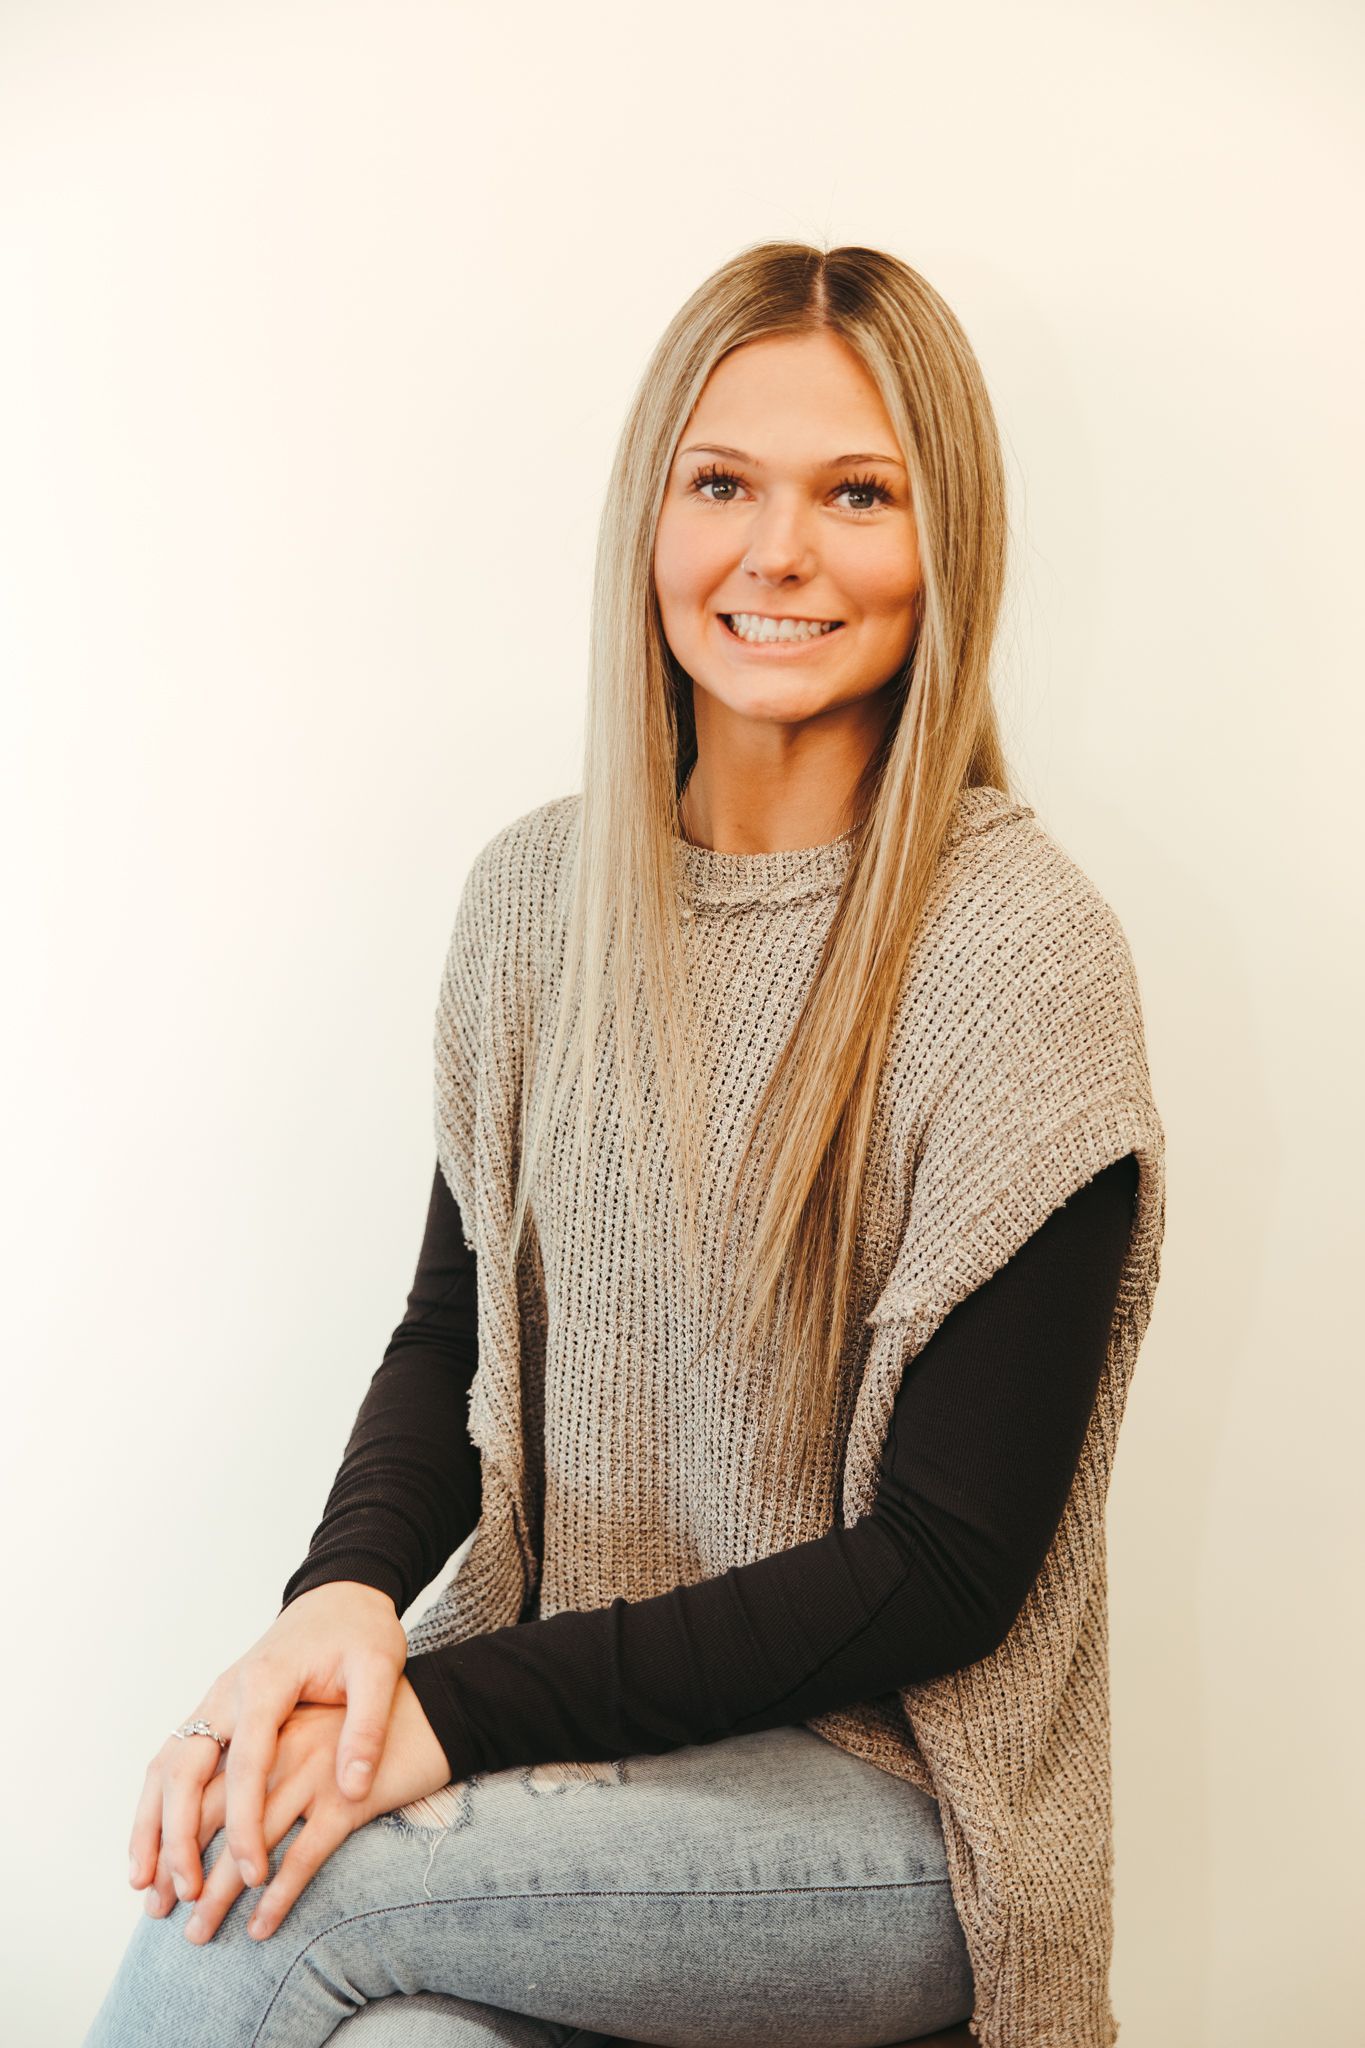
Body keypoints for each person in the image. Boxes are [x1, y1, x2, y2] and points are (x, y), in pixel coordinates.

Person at [84, 240, 1166, 2048]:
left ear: (943, 543)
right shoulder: (534, 904)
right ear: (646, 518)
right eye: (722, 483)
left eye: (858, 494)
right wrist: (336, 1608)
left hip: (897, 1822)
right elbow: (457, 1342)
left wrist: (464, 1709)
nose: (777, 553)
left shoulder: (1018, 952)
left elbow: (949, 1561)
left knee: (269, 1905)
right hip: (602, 1753)